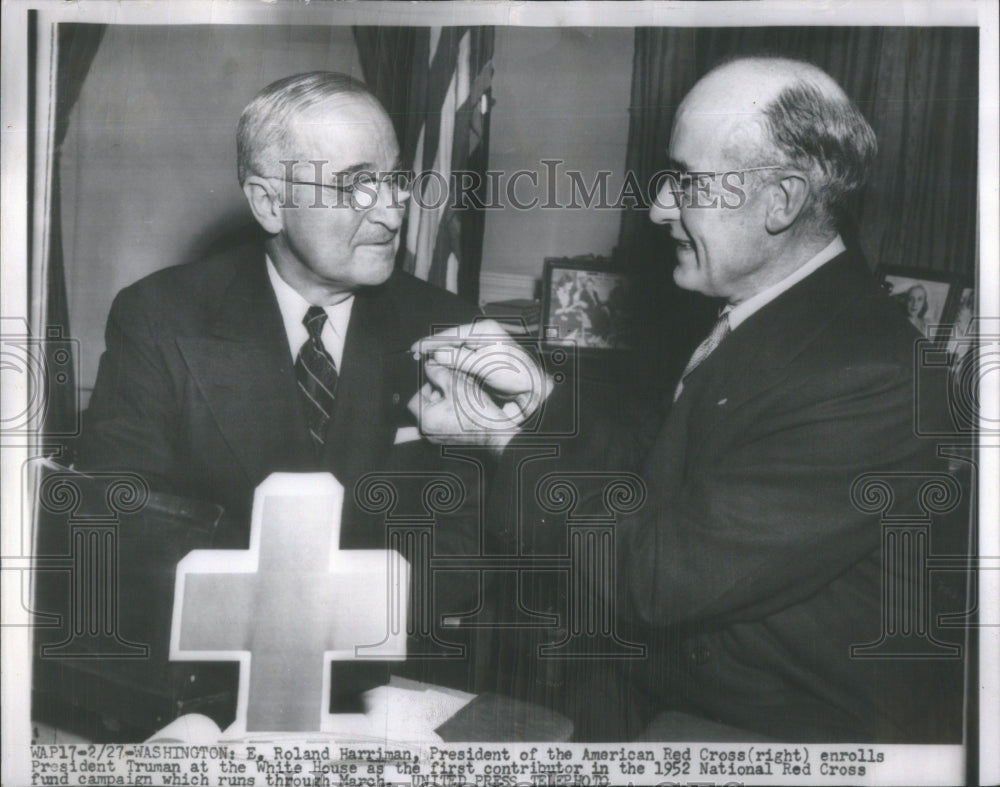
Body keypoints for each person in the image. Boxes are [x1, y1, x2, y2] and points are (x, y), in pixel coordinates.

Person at [409, 57, 963, 742]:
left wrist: (502, 440)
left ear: (782, 200)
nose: (657, 207)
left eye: (686, 183)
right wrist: (540, 398)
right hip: (664, 692)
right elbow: (660, 469)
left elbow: (657, 577)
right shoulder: (768, 313)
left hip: (774, 738)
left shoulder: (876, 375)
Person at [69, 72, 482, 729]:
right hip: (203, 691)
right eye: (353, 184)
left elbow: (468, 542)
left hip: (387, 687)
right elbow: (121, 523)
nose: (391, 209)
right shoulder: (162, 317)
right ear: (268, 201)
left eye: (396, 177)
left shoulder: (449, 329)